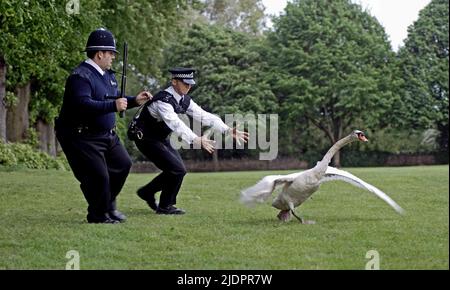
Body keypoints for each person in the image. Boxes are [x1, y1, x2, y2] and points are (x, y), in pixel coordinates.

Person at [55, 28, 152, 224]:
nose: (113, 57)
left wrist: (135, 101)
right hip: (82, 136)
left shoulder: (108, 75)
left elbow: (114, 99)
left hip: (106, 134)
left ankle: (107, 206)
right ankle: (98, 215)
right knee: (99, 177)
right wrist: (113, 106)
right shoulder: (80, 77)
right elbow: (82, 105)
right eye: (111, 53)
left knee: (123, 165)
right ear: (100, 54)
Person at [135, 67, 249, 215]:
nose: (188, 87)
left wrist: (227, 130)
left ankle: (148, 193)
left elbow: (203, 116)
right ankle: (164, 205)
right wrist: (196, 139)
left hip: (160, 139)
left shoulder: (183, 100)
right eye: (185, 83)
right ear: (174, 81)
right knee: (177, 170)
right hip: (146, 139)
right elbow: (176, 124)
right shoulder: (163, 101)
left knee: (178, 170)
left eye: (190, 84)